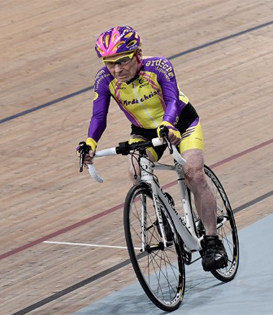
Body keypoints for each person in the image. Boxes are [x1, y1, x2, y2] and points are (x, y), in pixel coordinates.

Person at [79, 25, 227, 271]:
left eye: (123, 61)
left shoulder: (159, 66)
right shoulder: (104, 80)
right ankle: (164, 208)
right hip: (144, 131)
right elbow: (99, 117)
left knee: (193, 173)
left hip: (180, 121)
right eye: (109, 63)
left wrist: (169, 124)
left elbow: (172, 100)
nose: (117, 69)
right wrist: (90, 142)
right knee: (136, 173)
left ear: (138, 54)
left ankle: (212, 242)